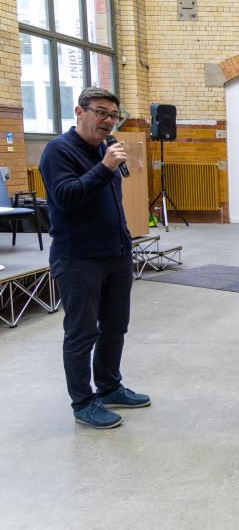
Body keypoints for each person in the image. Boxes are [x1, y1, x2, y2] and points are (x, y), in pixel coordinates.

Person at [38, 87, 149, 430]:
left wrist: (125, 240)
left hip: (115, 254)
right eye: (101, 112)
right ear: (80, 111)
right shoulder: (58, 151)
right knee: (81, 332)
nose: (107, 120)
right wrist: (104, 167)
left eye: (113, 115)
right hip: (79, 258)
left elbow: (110, 202)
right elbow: (67, 197)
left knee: (115, 327)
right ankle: (83, 402)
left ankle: (109, 386)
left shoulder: (105, 148)